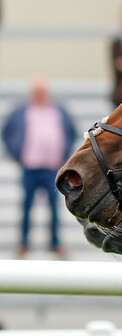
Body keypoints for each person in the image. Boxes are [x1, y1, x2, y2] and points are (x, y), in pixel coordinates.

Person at [2, 77, 77, 259]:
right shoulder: (21, 111)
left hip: (53, 167)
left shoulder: (59, 111)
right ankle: (24, 243)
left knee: (54, 207)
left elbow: (71, 132)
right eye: (37, 92)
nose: (40, 96)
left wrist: (64, 152)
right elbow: (6, 132)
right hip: (30, 167)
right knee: (27, 206)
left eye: (42, 92)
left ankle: (55, 243)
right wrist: (16, 152)